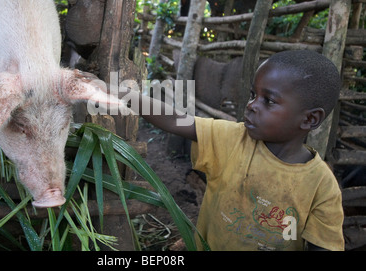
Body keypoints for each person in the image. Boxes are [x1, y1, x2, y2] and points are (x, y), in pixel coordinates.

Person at [124, 50, 344, 251]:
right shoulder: (232, 139)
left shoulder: (321, 185)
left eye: (268, 100)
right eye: (252, 95)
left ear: (309, 119)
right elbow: (175, 120)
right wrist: (118, 95)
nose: (251, 105)